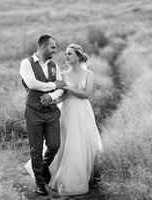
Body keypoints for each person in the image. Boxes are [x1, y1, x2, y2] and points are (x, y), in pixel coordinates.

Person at [48, 43, 103, 196]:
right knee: (66, 143)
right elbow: (62, 96)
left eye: (69, 54)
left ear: (78, 56)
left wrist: (67, 87)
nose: (66, 56)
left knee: (82, 143)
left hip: (83, 111)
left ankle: (80, 177)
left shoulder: (89, 74)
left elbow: (86, 94)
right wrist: (51, 101)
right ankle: (65, 179)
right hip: (66, 110)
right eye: (65, 54)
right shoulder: (63, 75)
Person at [19, 35, 65, 196]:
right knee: (36, 148)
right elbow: (32, 84)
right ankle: (40, 183)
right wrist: (52, 86)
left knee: (54, 145)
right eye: (53, 47)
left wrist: (51, 96)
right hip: (33, 112)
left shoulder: (54, 65)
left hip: (51, 111)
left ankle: (43, 167)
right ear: (44, 47)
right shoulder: (27, 63)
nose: (55, 50)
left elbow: (62, 87)